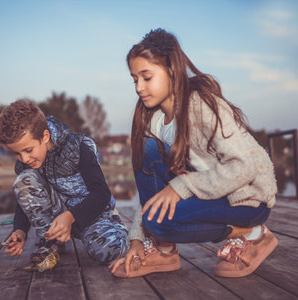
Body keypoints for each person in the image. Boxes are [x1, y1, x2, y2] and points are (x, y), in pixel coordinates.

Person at [109, 28, 278, 278]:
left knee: (158, 224)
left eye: (146, 77)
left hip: (248, 199)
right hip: (210, 194)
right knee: (147, 152)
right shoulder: (154, 121)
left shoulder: (202, 105)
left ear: (172, 71)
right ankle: (164, 251)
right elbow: (151, 194)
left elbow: (243, 168)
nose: (139, 87)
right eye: (135, 79)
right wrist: (136, 239)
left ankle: (254, 233)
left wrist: (180, 187)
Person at [0, 99, 128, 271]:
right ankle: (51, 241)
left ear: (45, 136)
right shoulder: (25, 162)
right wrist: (20, 230)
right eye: (17, 153)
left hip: (92, 215)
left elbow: (101, 194)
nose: (24, 159)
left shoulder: (78, 146)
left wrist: (70, 216)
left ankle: (116, 227)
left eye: (28, 150)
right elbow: (26, 198)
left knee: (109, 252)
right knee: (24, 179)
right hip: (57, 219)